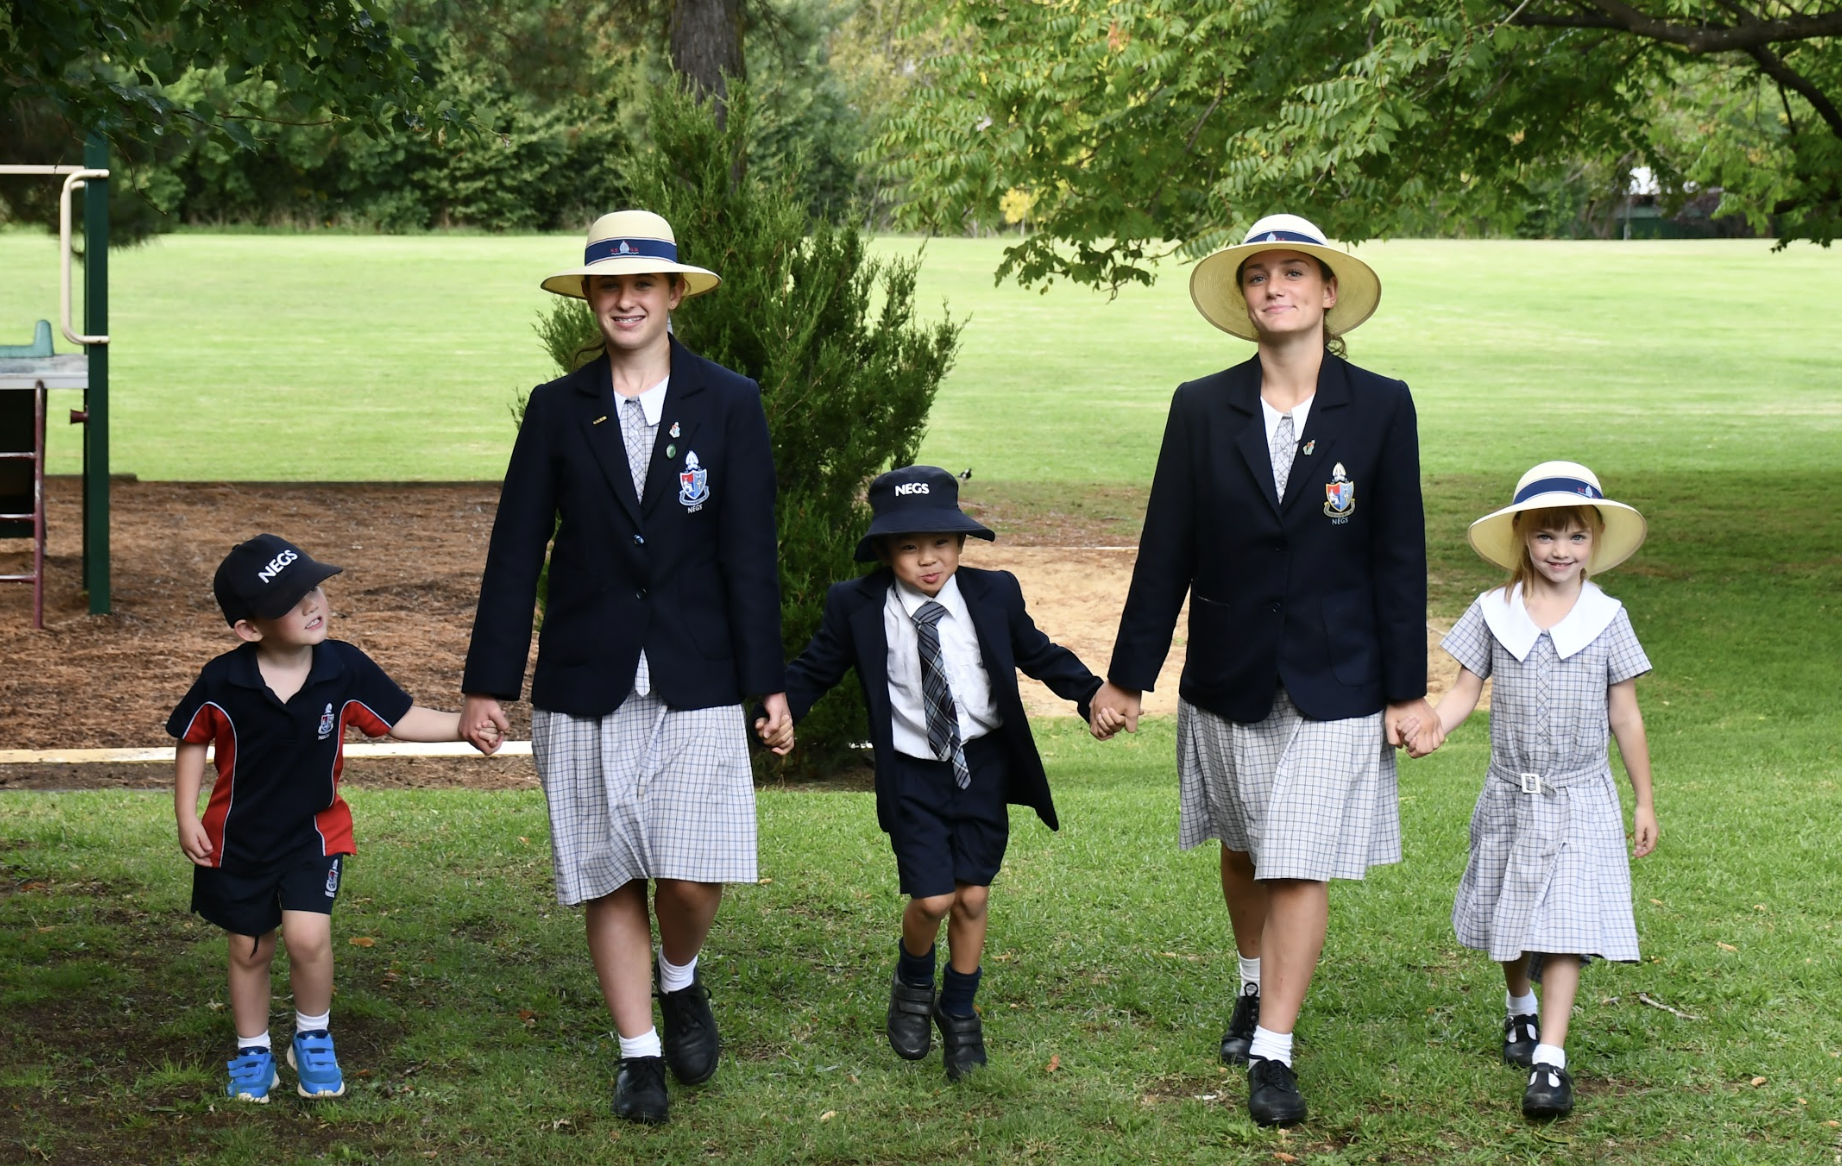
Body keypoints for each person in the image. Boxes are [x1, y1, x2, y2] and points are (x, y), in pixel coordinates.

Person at [1090, 213, 1435, 1127]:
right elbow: (1167, 551)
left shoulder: (1384, 405)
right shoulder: (1202, 407)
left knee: (1300, 859)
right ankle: (1250, 982)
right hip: (1231, 672)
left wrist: (1405, 690)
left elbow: (1399, 559)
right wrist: (1127, 677)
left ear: (1328, 293)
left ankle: (1275, 1051)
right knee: (1246, 848)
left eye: (1294, 272)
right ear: (1243, 302)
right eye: (1257, 277)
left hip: (1339, 681)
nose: (1274, 287)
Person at [460, 209, 790, 1125]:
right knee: (608, 872)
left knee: (687, 875)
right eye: (609, 285)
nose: (626, 299)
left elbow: (749, 556)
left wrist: (768, 682)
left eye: (644, 283)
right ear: (590, 298)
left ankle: (680, 977)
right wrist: (487, 683)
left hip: (698, 675)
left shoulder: (730, 402)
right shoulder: (557, 409)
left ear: (674, 293)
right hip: (584, 678)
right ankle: (638, 1053)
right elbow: (515, 551)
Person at [758, 465, 1115, 1080]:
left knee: (972, 896)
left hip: (982, 762)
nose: (928, 560)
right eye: (909, 547)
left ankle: (960, 1013)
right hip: (913, 771)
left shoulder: (994, 593)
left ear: (961, 543)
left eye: (941, 544)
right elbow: (815, 668)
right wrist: (781, 708)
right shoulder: (858, 605)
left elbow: (1039, 653)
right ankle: (913, 982)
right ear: (885, 551)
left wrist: (1091, 696)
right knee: (932, 898)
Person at [169, 533, 492, 1103]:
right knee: (250, 948)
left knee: (308, 938)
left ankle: (312, 1039)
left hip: (315, 835)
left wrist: (463, 727)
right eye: (290, 602)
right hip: (235, 842)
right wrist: (185, 814)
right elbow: (192, 741)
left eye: (314, 588)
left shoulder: (343, 667)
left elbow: (401, 717)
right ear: (250, 628)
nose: (313, 603)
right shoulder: (223, 680)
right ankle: (254, 1050)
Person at [1403, 461, 1657, 1120]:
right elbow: (1463, 692)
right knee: (1512, 918)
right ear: (1522, 539)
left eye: (1574, 536)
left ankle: (1551, 1059)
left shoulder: (1608, 617)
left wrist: (1645, 799)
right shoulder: (1494, 612)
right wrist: (1433, 725)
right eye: (1546, 536)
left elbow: (1625, 714)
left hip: (1582, 796)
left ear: (1593, 541)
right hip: (1512, 793)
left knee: (1567, 924)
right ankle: (1520, 1009)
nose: (1560, 551)